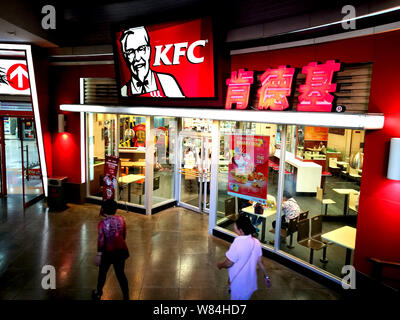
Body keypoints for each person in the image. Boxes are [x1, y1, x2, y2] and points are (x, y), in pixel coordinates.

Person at [120, 26, 184, 98]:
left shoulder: (168, 82)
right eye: (130, 52)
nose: (137, 58)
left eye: (141, 49)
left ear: (148, 50)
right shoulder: (123, 91)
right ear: (125, 57)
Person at [217, 215, 271, 300]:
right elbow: (260, 262)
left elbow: (228, 263)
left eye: (235, 225)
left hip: (238, 284)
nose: (234, 225)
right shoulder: (256, 242)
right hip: (250, 283)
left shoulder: (237, 243)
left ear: (240, 230)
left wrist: (220, 265)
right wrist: (266, 276)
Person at [92, 199, 130, 300]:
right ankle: (126, 296)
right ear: (115, 209)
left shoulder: (102, 224)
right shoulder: (122, 220)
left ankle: (98, 292)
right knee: (120, 274)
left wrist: (99, 255)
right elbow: (123, 235)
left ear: (103, 210)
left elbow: (101, 240)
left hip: (107, 252)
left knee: (102, 273)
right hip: (121, 251)